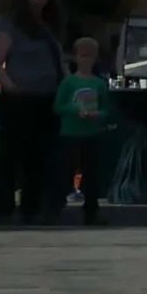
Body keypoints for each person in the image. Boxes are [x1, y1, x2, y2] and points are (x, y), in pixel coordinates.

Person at [0, 0, 68, 222]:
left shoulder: (50, 25)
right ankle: (2, 209)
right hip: (19, 98)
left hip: (47, 97)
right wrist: (10, 86)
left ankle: (31, 208)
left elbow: (60, 60)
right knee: (10, 155)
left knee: (39, 155)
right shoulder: (11, 25)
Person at [51, 37, 114, 227]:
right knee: (65, 172)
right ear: (76, 58)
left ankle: (91, 211)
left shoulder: (100, 83)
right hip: (70, 133)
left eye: (90, 56)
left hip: (91, 133)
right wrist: (76, 111)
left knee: (92, 174)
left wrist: (98, 114)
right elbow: (58, 107)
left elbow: (106, 109)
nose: (86, 60)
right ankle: (54, 208)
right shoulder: (69, 83)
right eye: (83, 55)